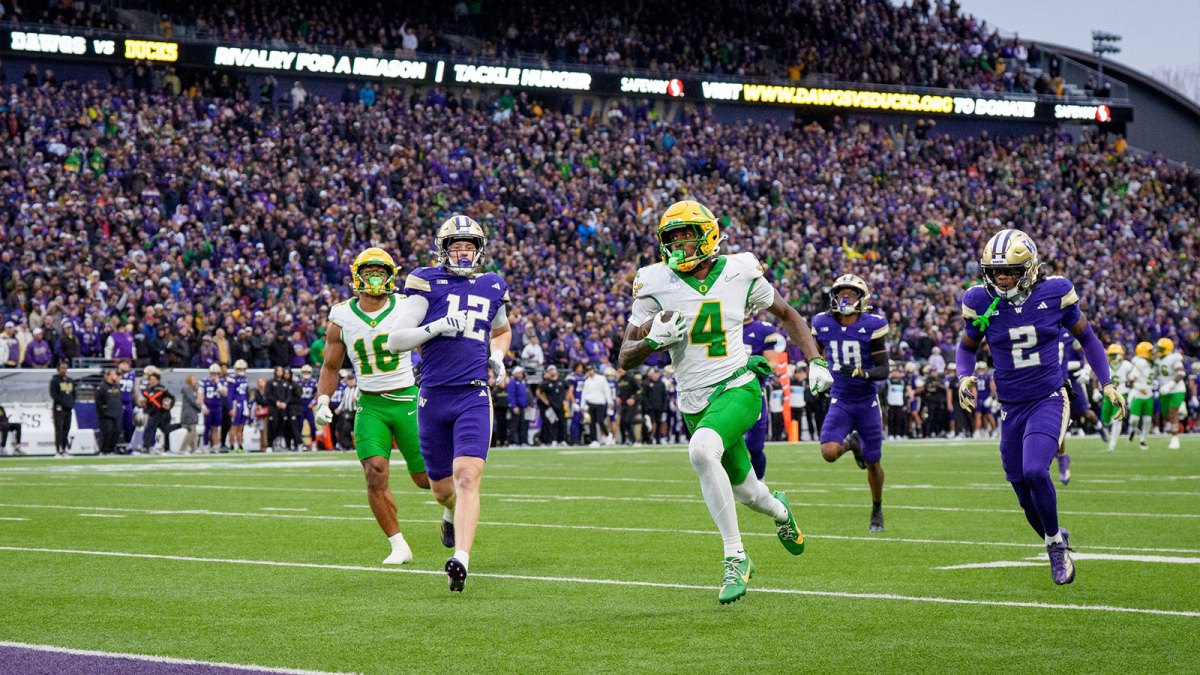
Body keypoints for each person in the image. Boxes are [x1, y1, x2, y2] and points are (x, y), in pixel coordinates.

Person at [618, 200, 832, 604]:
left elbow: (787, 314)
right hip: (694, 403)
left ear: (708, 237)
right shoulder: (654, 281)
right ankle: (781, 511)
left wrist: (815, 360)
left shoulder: (740, 270)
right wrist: (651, 342)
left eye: (686, 236)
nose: (678, 245)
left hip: (738, 386)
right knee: (751, 494)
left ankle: (735, 557)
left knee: (701, 451)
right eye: (671, 238)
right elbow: (624, 357)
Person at [957, 229, 1126, 586]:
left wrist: (1107, 382)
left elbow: (1087, 337)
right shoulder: (980, 299)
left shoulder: (1055, 292)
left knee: (1035, 470)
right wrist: (964, 377)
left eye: (1010, 272)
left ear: (1030, 268)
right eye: (996, 271)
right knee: (1022, 491)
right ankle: (1055, 536)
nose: (1002, 278)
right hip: (1010, 406)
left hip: (1049, 396)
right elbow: (967, 346)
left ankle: (1055, 547)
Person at [388, 215, 512, 592]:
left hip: (473, 394)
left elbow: (502, 330)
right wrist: (437, 326)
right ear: (443, 250)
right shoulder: (425, 281)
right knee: (442, 489)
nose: (463, 253)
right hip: (433, 395)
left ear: (480, 250)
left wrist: (498, 356)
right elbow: (396, 340)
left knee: (467, 476)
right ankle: (448, 513)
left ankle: (461, 558)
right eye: (456, 246)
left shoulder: (492, 284)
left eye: (469, 246)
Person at [313, 248, 440, 566]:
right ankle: (398, 545)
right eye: (369, 272)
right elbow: (330, 366)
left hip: (406, 399)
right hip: (370, 404)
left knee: (425, 478)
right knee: (374, 471)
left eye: (380, 272)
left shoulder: (406, 306)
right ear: (357, 277)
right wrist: (323, 400)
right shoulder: (341, 316)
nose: (374, 278)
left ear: (391, 276)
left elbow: (430, 346)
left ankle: (452, 509)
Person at [811, 274, 890, 532]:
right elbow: (816, 354)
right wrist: (817, 371)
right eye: (841, 293)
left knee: (872, 461)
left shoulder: (872, 325)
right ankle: (851, 444)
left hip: (867, 402)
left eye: (851, 294)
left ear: (861, 299)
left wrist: (862, 373)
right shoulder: (822, 323)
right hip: (841, 399)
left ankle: (876, 508)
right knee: (829, 452)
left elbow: (883, 369)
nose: (845, 298)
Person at [741, 312, 781, 478]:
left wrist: (758, 366)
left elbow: (773, 364)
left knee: (755, 446)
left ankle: (759, 482)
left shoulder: (762, 329)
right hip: (726, 393)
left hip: (754, 392)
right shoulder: (723, 326)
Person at [1154, 338, 1186, 449]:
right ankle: (1181, 407)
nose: (1158, 350)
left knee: (1173, 412)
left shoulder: (1174, 357)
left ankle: (1175, 438)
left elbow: (1181, 373)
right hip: (1164, 390)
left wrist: (1169, 385)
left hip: (1176, 389)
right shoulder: (1157, 359)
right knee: (1166, 414)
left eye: (1161, 349)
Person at [1102, 344, 1134, 452]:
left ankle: (1112, 444)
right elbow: (1097, 378)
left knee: (1117, 420)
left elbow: (1133, 379)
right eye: (1111, 355)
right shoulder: (1105, 365)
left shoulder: (1127, 365)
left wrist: (1132, 391)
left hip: (1121, 394)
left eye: (1114, 355)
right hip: (1108, 394)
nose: (1112, 358)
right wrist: (1096, 390)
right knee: (1106, 419)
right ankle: (1109, 431)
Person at [1126, 342, 1155, 450]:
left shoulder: (1153, 363)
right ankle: (1133, 429)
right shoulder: (1141, 362)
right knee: (1134, 419)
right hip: (1138, 394)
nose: (1152, 353)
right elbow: (1131, 379)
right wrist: (1139, 387)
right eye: (1150, 351)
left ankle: (1143, 440)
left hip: (1149, 394)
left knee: (1147, 420)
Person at [141, 370, 175, 454]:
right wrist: (143, 404)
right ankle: (148, 446)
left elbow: (172, 398)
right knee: (150, 429)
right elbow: (146, 401)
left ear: (158, 380)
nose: (152, 381)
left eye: (154, 379)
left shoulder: (162, 389)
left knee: (166, 431)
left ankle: (166, 448)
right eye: (150, 379)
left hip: (163, 413)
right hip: (152, 413)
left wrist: (169, 405)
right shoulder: (147, 390)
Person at [49, 360, 77, 457]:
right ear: (58, 369)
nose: (64, 370)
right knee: (59, 429)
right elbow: (54, 394)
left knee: (66, 429)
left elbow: (74, 394)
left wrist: (71, 403)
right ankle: (58, 450)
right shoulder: (54, 381)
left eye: (65, 368)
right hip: (59, 408)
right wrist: (61, 403)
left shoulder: (71, 381)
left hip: (68, 408)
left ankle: (64, 449)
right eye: (62, 368)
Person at [580, 364, 612, 446]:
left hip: (600, 403)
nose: (590, 372)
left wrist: (610, 401)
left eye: (591, 370)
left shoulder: (601, 379)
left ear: (594, 370)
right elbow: (584, 394)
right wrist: (582, 406)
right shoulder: (587, 381)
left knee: (600, 421)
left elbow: (606, 390)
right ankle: (594, 440)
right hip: (590, 404)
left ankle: (608, 435)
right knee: (592, 423)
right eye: (588, 371)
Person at [537, 364, 567, 445]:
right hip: (550, 406)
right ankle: (553, 440)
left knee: (562, 422)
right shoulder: (546, 382)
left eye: (553, 370)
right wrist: (545, 401)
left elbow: (568, 388)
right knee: (552, 423)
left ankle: (562, 440)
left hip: (560, 405)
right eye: (550, 370)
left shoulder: (561, 381)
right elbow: (538, 392)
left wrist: (565, 399)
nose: (552, 371)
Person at [95, 368, 123, 455]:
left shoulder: (117, 386)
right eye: (114, 374)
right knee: (107, 431)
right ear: (108, 376)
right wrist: (102, 410)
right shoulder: (102, 387)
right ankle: (104, 450)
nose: (116, 376)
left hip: (116, 413)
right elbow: (98, 401)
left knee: (116, 431)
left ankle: (111, 449)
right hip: (106, 415)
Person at [201, 363, 226, 451]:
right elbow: (200, 395)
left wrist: (218, 383)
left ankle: (215, 446)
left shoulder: (222, 382)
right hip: (208, 407)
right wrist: (203, 406)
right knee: (207, 427)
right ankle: (205, 445)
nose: (214, 375)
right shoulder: (204, 381)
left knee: (215, 428)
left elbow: (224, 393)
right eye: (212, 373)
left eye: (216, 373)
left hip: (217, 407)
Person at [227, 360, 250, 452]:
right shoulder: (232, 379)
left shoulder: (245, 378)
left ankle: (240, 446)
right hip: (236, 404)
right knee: (234, 426)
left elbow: (247, 394)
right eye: (239, 369)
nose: (241, 370)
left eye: (243, 369)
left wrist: (248, 405)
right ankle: (231, 446)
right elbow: (230, 395)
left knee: (241, 426)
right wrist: (231, 407)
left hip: (243, 404)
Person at [297, 364, 319, 451]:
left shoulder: (313, 383)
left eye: (308, 372)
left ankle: (313, 443)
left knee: (312, 426)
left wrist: (313, 402)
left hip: (309, 407)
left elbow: (317, 394)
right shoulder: (298, 383)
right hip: (300, 406)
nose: (306, 374)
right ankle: (299, 444)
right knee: (299, 426)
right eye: (304, 372)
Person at [179, 375, 202, 454]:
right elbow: (192, 400)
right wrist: (199, 407)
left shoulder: (192, 389)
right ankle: (182, 449)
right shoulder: (187, 388)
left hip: (192, 412)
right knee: (191, 431)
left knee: (193, 432)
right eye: (193, 379)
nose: (195, 381)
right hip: (189, 412)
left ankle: (194, 449)